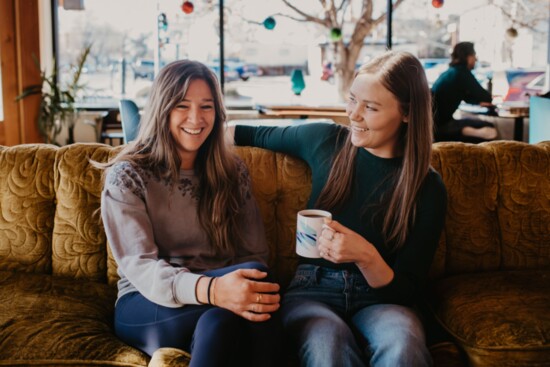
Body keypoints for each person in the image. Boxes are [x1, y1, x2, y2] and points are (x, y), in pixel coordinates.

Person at [227, 51, 447, 366]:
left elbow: (406, 290)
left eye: (370, 108)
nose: (354, 115)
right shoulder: (325, 140)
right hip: (312, 289)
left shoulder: (428, 188)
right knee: (326, 343)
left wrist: (366, 256)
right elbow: (246, 132)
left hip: (382, 301)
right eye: (352, 100)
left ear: (408, 113)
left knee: (403, 345)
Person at [98, 60, 282, 367]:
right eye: (182, 105)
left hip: (219, 300)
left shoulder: (232, 172)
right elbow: (140, 267)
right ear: (162, 109)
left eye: (206, 107)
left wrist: (228, 292)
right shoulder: (128, 175)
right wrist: (211, 290)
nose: (196, 118)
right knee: (247, 300)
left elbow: (255, 254)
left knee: (236, 302)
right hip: (147, 302)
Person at [431, 41, 499, 143]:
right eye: (474, 55)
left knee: (484, 128)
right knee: (489, 127)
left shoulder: (451, 72)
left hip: (434, 126)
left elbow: (464, 96)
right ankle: (462, 131)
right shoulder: (462, 73)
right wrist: (484, 99)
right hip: (443, 127)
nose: (476, 59)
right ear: (468, 57)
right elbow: (485, 97)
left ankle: (464, 131)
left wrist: (476, 101)